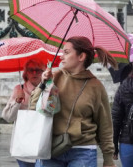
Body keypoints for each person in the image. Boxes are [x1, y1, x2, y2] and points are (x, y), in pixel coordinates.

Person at [31, 36, 117, 167]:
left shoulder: (96, 87)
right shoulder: (54, 77)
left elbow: (105, 125)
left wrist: (108, 159)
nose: (61, 56)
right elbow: (33, 107)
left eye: (66, 52)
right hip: (50, 147)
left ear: (81, 56)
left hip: (83, 151)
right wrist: (42, 84)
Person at [2, 58, 45, 167]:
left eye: (38, 70)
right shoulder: (19, 89)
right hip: (23, 143)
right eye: (31, 70)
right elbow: (8, 117)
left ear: (44, 72)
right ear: (26, 73)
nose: (34, 73)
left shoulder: (49, 89)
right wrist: (17, 102)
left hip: (43, 142)